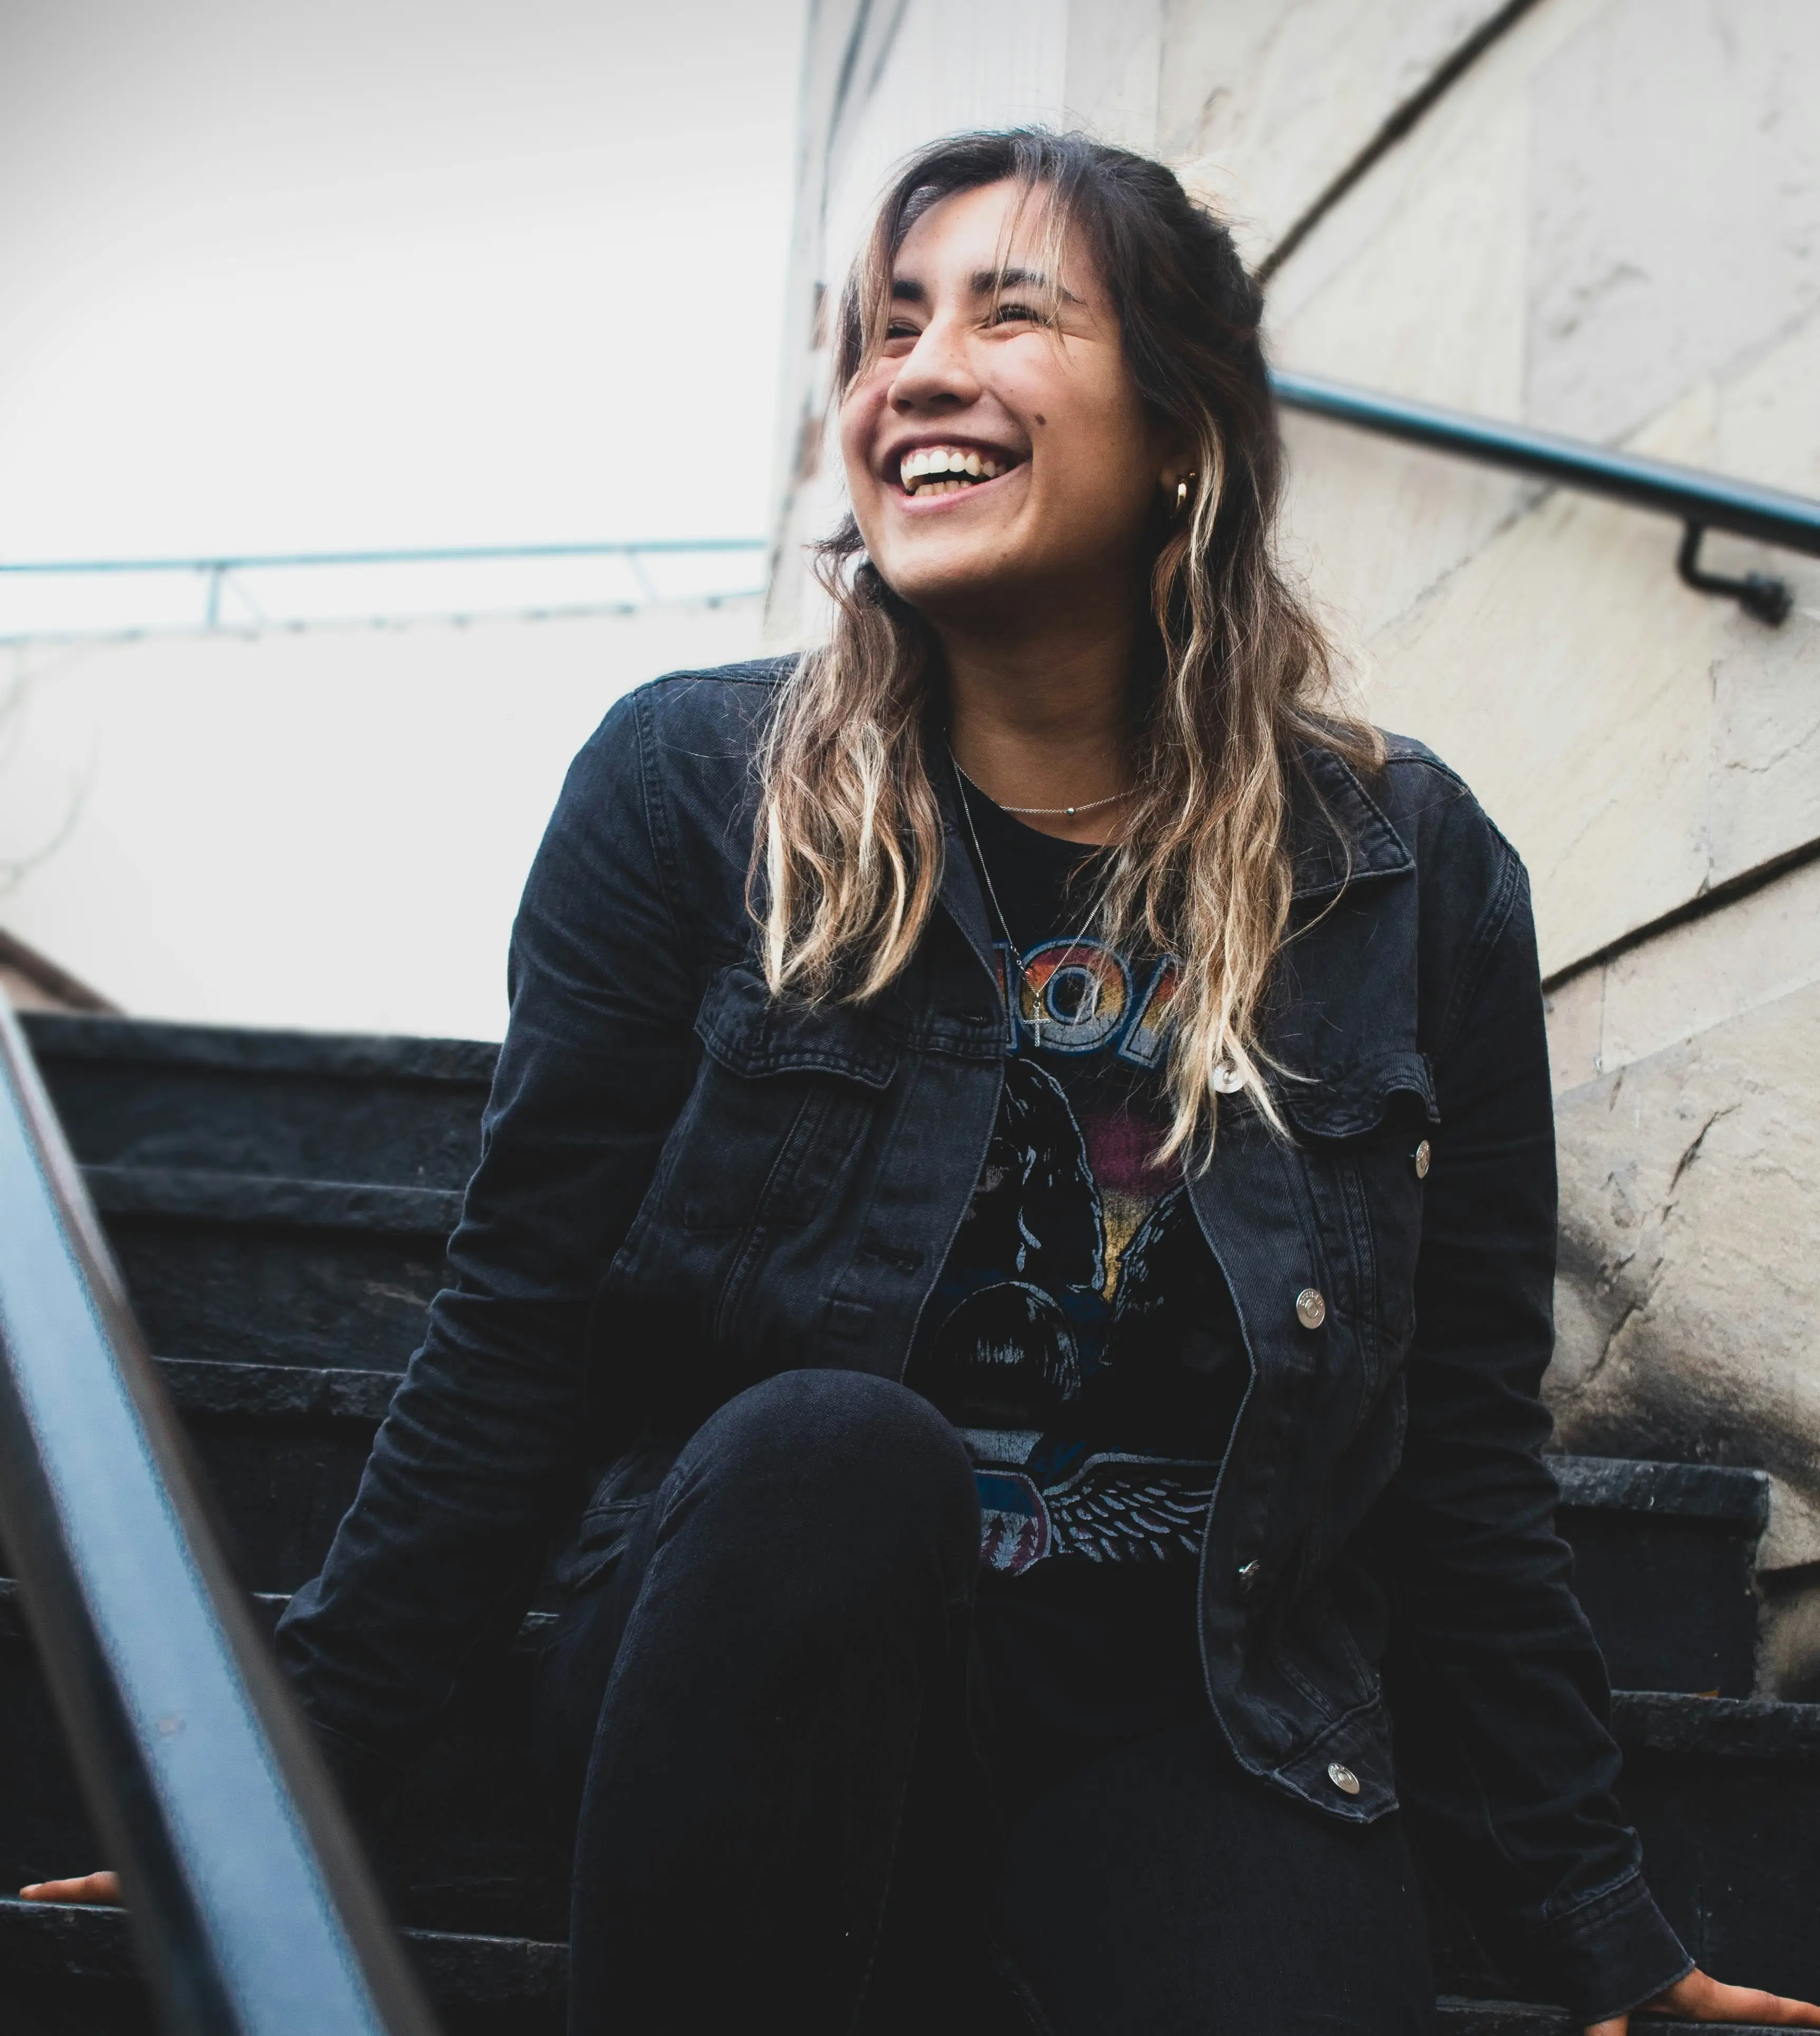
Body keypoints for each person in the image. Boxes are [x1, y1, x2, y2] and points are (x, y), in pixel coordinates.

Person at [26, 129, 1820, 2036]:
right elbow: (516, 1326)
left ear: (1186, 427)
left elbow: (1460, 1448)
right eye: (889, 329)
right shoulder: (695, 793)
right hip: (758, 1650)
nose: (916, 372)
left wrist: (1595, 1918)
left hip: (1199, 1706)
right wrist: (282, 1782)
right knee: (828, 1454)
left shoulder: (1402, 866)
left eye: (1007, 310)